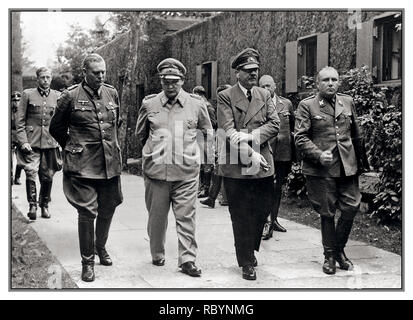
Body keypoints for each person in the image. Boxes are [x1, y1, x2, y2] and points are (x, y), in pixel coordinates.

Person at [135, 58, 212, 277]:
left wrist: (203, 158)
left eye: (175, 81)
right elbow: (140, 134)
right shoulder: (149, 104)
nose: (171, 86)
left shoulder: (196, 104)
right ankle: (157, 253)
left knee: (186, 217)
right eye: (166, 81)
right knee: (156, 219)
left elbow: (206, 133)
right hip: (157, 174)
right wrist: (151, 155)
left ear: (182, 80)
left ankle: (187, 259)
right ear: (160, 81)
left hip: (186, 173)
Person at [49, 53, 123, 282]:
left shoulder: (112, 93)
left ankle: (100, 247)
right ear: (85, 72)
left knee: (108, 207)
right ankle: (87, 262)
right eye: (96, 72)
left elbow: (114, 125)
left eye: (103, 72)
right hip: (82, 165)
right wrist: (72, 146)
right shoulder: (69, 96)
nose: (101, 76)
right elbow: (56, 128)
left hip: (108, 163)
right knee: (87, 211)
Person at [294, 66, 369, 275]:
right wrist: (318, 154)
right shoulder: (307, 105)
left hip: (347, 165)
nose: (330, 83)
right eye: (325, 80)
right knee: (327, 212)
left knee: (351, 207)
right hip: (322, 168)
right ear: (317, 84)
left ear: (339, 82)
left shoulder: (347, 102)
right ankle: (330, 256)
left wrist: (362, 164)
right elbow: (300, 137)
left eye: (334, 79)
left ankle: (338, 249)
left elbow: (357, 135)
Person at [217, 48, 280, 280]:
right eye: (248, 70)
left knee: (263, 210)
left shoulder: (264, 95)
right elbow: (229, 131)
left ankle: (250, 249)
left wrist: (251, 136)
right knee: (240, 214)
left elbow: (275, 124)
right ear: (237, 73)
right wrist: (251, 153)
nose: (253, 74)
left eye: (256, 70)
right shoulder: (226, 96)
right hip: (237, 164)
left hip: (263, 163)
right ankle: (245, 261)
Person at [15, 67, 62, 220]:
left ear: (51, 78)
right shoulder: (28, 94)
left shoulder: (58, 96)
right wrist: (23, 142)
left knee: (48, 176)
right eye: (42, 77)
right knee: (30, 172)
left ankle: (45, 205)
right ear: (37, 79)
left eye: (48, 77)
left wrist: (61, 140)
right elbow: (19, 121)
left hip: (50, 142)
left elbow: (61, 122)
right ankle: (32, 205)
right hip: (31, 143)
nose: (46, 80)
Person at [259, 75, 295, 238]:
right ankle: (266, 222)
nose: (266, 89)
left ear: (275, 86)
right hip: (265, 151)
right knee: (266, 187)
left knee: (277, 187)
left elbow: (292, 126)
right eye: (262, 86)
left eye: (268, 85)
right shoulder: (256, 104)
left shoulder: (286, 103)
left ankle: (273, 219)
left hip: (282, 152)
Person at [200, 84, 231, 208]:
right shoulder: (222, 107)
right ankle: (215, 198)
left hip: (229, 140)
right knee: (219, 170)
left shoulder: (227, 107)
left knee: (220, 170)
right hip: (222, 139)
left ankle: (216, 198)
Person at [192, 85, 214, 199]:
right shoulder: (199, 106)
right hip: (200, 139)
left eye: (195, 94)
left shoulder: (208, 107)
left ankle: (206, 189)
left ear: (199, 94)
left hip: (207, 139)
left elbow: (213, 124)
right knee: (201, 165)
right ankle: (202, 188)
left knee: (207, 165)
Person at [11, 91, 23, 185]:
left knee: (20, 159)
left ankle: (17, 177)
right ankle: (10, 177)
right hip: (10, 136)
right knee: (9, 159)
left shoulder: (23, 112)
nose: (16, 102)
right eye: (14, 100)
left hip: (20, 136)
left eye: (18, 100)